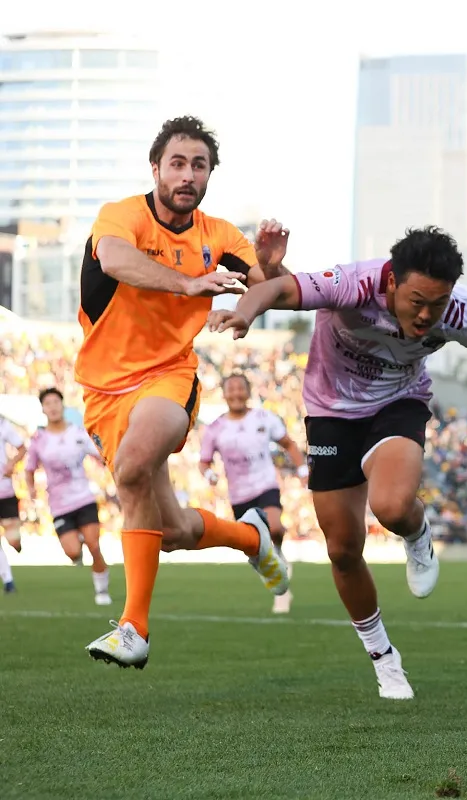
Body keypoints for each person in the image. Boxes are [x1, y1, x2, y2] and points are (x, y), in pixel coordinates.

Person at [208, 225, 467, 700]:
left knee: (391, 506)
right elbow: (280, 288)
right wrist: (245, 313)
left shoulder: (457, 308)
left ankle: (417, 533)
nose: (428, 315)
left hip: (399, 402)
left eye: (437, 303)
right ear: (391, 283)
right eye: (417, 301)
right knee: (343, 549)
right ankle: (384, 659)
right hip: (330, 413)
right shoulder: (352, 284)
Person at [76, 115, 291, 669]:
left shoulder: (219, 235)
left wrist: (268, 265)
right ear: (156, 169)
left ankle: (134, 629)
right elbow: (115, 259)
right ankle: (251, 540)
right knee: (169, 531)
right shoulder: (120, 216)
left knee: (131, 468)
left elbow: (274, 286)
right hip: (104, 390)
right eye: (178, 162)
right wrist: (189, 283)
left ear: (208, 176)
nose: (187, 174)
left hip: (169, 376)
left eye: (199, 165)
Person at [200, 374, 308, 614]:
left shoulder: (263, 417)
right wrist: (210, 476)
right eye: (231, 389)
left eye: (241, 388)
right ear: (224, 393)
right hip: (239, 495)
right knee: (255, 547)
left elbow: (288, 443)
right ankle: (277, 577)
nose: (236, 393)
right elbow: (204, 462)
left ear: (248, 392)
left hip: (265, 485)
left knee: (276, 529)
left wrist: (301, 469)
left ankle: (278, 559)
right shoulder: (215, 428)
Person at [23, 388, 113, 605]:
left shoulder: (78, 433)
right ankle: (77, 547)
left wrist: (107, 462)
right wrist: (31, 490)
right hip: (59, 504)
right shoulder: (39, 439)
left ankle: (102, 591)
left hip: (84, 498)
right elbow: (29, 468)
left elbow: (101, 456)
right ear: (43, 409)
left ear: (62, 405)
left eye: (56, 402)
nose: (52, 407)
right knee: (72, 552)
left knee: (94, 545)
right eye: (48, 403)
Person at [0, 415, 26, 593]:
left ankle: (17, 544)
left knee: (13, 540)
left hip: (4, 489)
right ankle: (8, 581)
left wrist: (11, 464)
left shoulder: (2, 423)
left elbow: (22, 448)